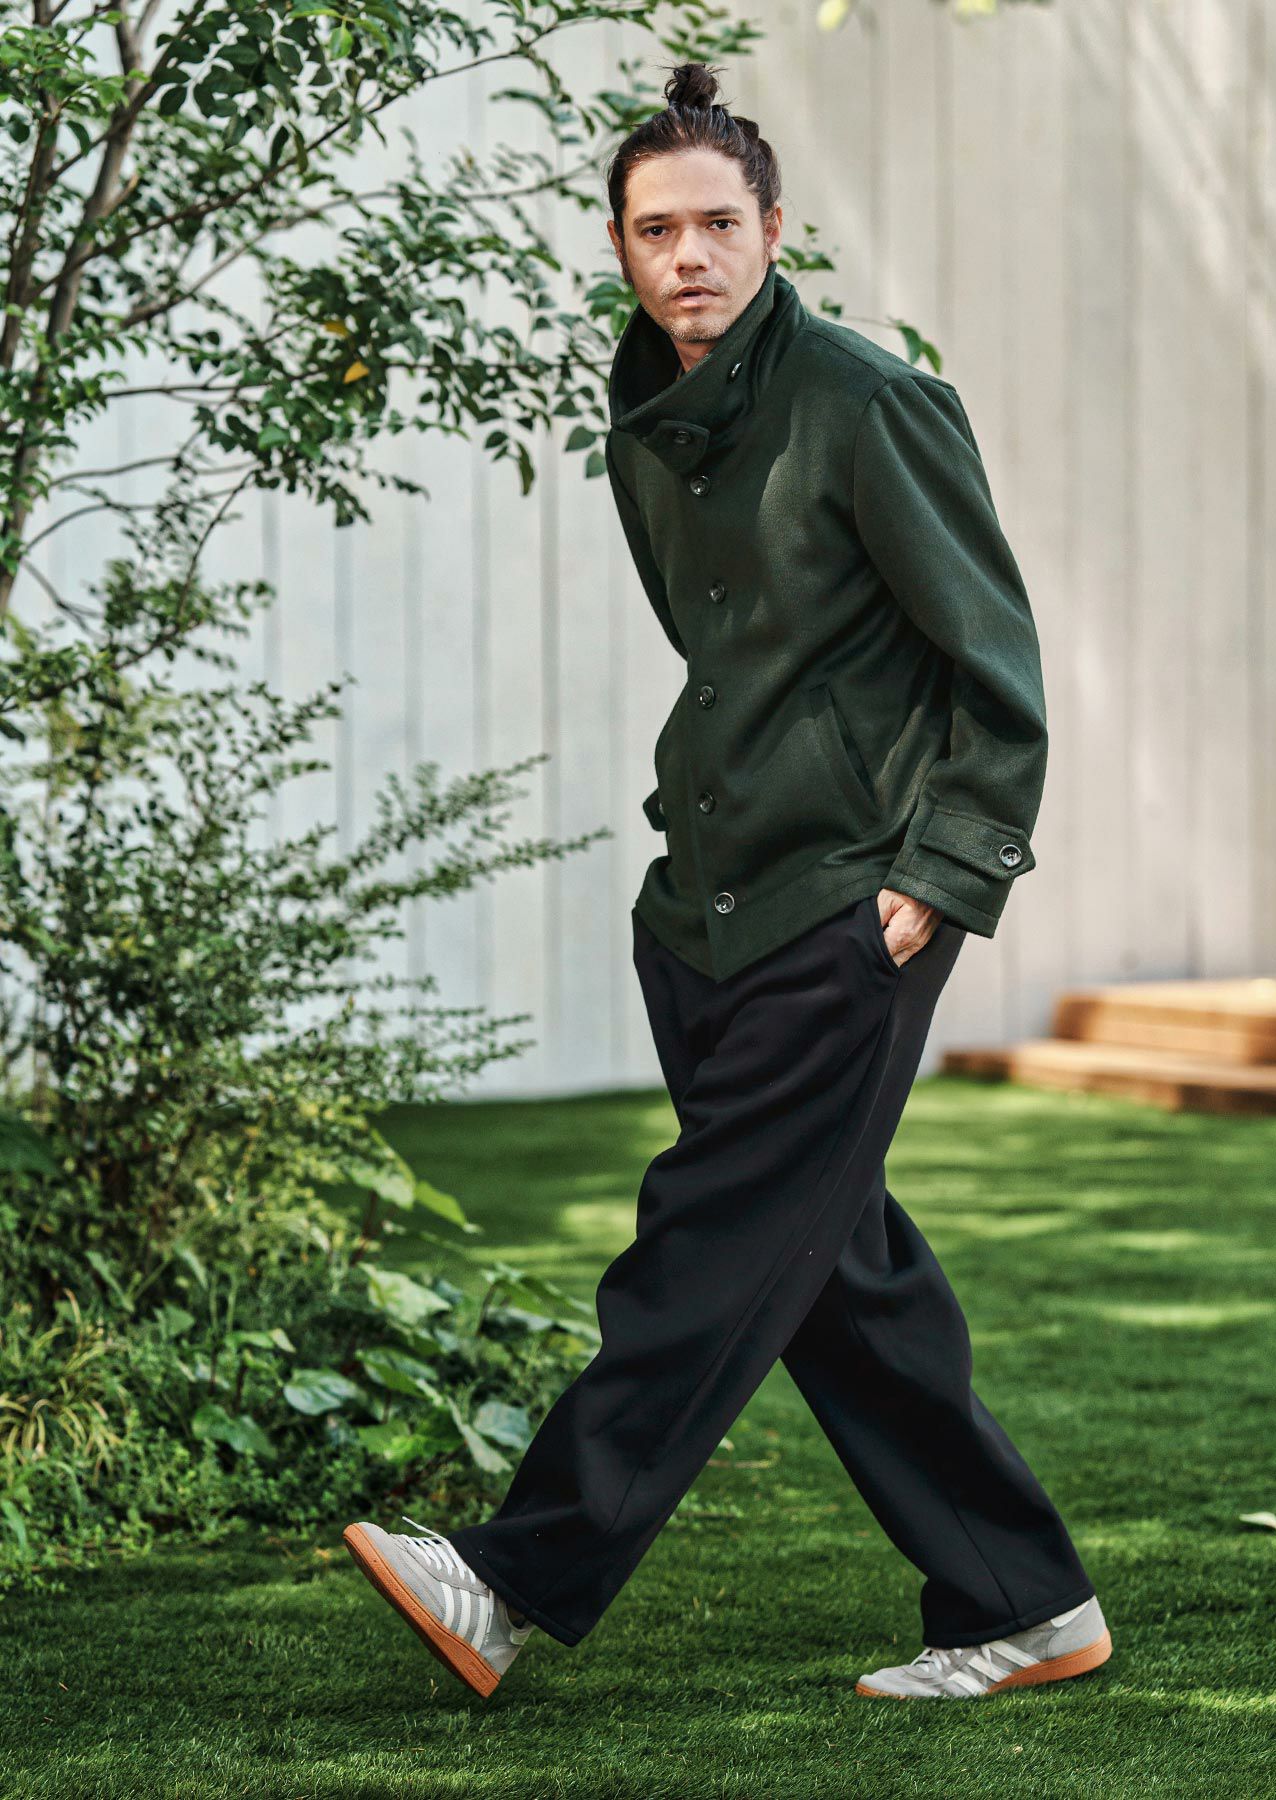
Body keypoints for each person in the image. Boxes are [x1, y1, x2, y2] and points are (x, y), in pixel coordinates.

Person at [343, 59, 1111, 1704]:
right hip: (704, 901)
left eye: (715, 224)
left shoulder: (869, 402)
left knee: (705, 1244)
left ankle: (511, 1579)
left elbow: (997, 663)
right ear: (622, 249)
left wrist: (947, 868)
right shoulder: (653, 428)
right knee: (831, 1268)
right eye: (653, 230)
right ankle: (1024, 1601)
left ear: (773, 230)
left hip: (853, 904)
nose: (686, 254)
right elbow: (727, 658)